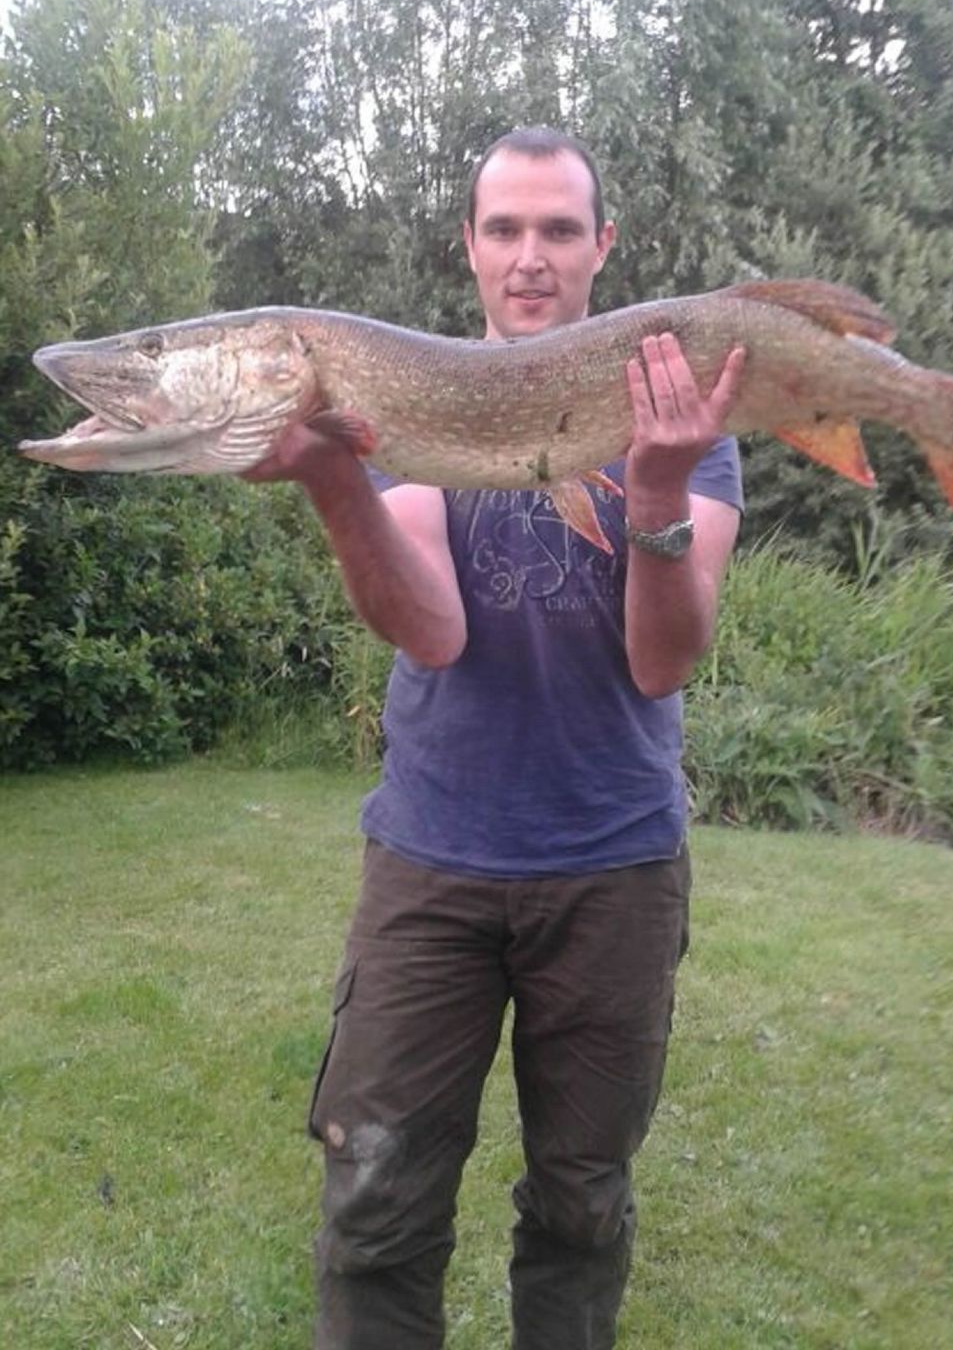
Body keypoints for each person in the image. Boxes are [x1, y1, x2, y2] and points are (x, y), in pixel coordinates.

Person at [246, 127, 745, 1349]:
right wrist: (330, 482)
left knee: (580, 1206)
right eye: (506, 229)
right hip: (433, 861)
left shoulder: (685, 423)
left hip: (614, 865)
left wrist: (660, 494)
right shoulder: (400, 407)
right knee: (373, 1200)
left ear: (601, 248)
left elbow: (661, 661)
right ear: (468, 245)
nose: (530, 257)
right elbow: (430, 631)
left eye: (558, 229)